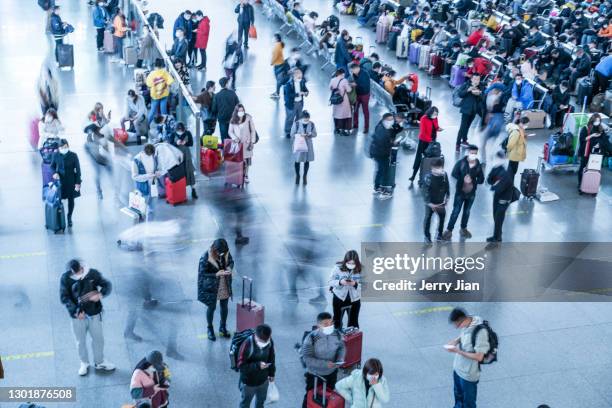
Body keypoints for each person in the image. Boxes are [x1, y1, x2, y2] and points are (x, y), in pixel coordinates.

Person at [59, 259, 115, 376]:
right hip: (77, 318)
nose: (78, 275)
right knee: (80, 342)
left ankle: (100, 362)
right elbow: (64, 298)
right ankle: (84, 363)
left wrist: (100, 294)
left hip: (94, 313)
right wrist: (75, 311)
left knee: (98, 339)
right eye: (75, 273)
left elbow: (107, 285)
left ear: (82, 268)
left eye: (79, 272)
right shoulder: (65, 278)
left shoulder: (92, 273)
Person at [446, 307, 490, 408]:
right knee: (458, 397)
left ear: (462, 320)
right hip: (458, 369)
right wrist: (455, 341)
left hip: (468, 375)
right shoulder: (468, 322)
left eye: (457, 325)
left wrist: (458, 351)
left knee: (468, 403)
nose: (456, 327)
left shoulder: (480, 332)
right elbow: (464, 335)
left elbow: (479, 357)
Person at [301, 312, 346, 408]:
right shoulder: (311, 338)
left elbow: (341, 347)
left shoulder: (337, 334)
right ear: (318, 325)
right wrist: (325, 364)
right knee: (310, 396)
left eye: (331, 323)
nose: (329, 326)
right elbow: (307, 359)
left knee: (327, 396)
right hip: (315, 375)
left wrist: (340, 358)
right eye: (326, 324)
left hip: (332, 373)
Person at [442, 146, 484, 241]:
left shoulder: (478, 165)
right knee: (455, 211)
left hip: (471, 193)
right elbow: (454, 173)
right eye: (472, 153)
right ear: (468, 153)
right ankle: (449, 230)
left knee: (467, 212)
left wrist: (473, 180)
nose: (473, 155)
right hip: (460, 193)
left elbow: (481, 179)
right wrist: (463, 178)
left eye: (475, 153)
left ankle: (463, 229)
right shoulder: (461, 163)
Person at [197, 238, 234, 341]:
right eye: (219, 252)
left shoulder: (225, 253)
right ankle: (210, 328)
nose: (221, 254)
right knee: (211, 307)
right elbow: (202, 273)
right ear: (214, 249)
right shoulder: (205, 256)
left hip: (223, 282)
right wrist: (216, 274)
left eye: (223, 252)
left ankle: (222, 327)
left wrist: (230, 268)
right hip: (211, 286)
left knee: (224, 306)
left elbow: (231, 261)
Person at [237, 324, 276, 408]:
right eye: (262, 341)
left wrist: (272, 373)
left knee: (261, 402)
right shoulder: (246, 344)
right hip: (248, 383)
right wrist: (257, 365)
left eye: (266, 341)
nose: (265, 343)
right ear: (256, 336)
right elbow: (241, 366)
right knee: (245, 403)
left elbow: (272, 358)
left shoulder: (269, 341)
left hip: (263, 381)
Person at [370, 113, 402, 199]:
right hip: (380, 153)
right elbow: (382, 143)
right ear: (384, 120)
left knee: (381, 169)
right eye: (389, 120)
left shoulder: (384, 127)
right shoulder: (381, 129)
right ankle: (379, 187)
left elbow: (394, 133)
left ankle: (379, 186)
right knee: (382, 169)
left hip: (381, 152)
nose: (391, 121)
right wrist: (393, 143)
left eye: (392, 119)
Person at [51, 139, 81, 227]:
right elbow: (52, 166)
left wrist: (78, 182)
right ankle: (60, 217)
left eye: (66, 147)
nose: (65, 148)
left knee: (71, 200)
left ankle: (69, 217)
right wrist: (55, 173)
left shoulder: (73, 155)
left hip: (71, 180)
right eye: (63, 147)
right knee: (59, 199)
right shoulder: (55, 155)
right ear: (59, 148)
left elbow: (78, 170)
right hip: (60, 181)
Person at [328, 250, 362, 330]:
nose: (351, 265)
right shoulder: (337, 268)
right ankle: (337, 338)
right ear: (345, 261)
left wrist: (355, 284)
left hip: (354, 300)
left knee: (353, 323)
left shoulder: (361, 269)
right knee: (337, 321)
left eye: (353, 263)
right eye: (349, 263)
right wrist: (340, 282)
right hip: (339, 298)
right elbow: (330, 281)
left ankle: (352, 340)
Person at [486, 151, 514, 242]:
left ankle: (497, 238)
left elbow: (499, 188)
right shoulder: (496, 168)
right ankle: (497, 234)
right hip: (497, 196)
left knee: (498, 218)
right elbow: (489, 180)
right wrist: (495, 183)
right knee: (495, 216)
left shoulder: (506, 172)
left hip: (504, 199)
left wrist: (494, 185)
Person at [577, 114, 609, 192]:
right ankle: (580, 184)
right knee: (583, 167)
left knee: (594, 169)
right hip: (586, 151)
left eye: (599, 121)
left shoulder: (600, 128)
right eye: (596, 121)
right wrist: (592, 135)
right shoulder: (586, 128)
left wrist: (599, 144)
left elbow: (604, 139)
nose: (597, 122)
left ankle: (591, 185)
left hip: (596, 153)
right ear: (592, 120)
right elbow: (582, 139)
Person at [409, 107, 442, 183]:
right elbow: (423, 132)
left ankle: (425, 177)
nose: (435, 115)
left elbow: (436, 127)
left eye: (436, 114)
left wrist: (438, 129)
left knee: (429, 159)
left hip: (432, 141)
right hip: (424, 141)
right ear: (430, 112)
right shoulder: (423, 118)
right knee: (419, 158)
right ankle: (413, 175)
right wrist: (430, 140)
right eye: (434, 114)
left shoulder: (435, 118)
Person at [422, 158, 450, 243]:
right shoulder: (428, 177)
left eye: (438, 168)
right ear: (431, 168)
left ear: (442, 168)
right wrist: (429, 203)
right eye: (434, 169)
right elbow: (425, 191)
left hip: (440, 202)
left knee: (442, 217)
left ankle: (439, 235)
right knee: (428, 218)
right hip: (431, 203)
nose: (436, 171)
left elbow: (447, 186)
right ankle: (427, 236)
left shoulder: (444, 175)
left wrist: (447, 197)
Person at [456, 74, 484, 152]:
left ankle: (464, 140)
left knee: (468, 126)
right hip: (466, 109)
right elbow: (460, 94)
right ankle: (457, 144)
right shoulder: (466, 84)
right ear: (472, 79)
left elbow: (483, 98)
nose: (476, 81)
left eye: (478, 79)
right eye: (475, 79)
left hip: (474, 110)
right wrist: (468, 90)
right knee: (462, 127)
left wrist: (479, 94)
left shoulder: (481, 86)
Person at [229, 104, 257, 183]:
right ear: (236, 111)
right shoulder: (233, 120)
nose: (241, 112)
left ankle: (246, 175)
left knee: (247, 161)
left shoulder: (248, 118)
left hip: (247, 143)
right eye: (239, 111)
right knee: (239, 160)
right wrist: (235, 138)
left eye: (242, 110)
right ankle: (239, 175)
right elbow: (230, 131)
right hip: (238, 144)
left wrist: (252, 142)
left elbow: (253, 130)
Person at [131, 144, 160, 220]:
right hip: (142, 189)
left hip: (153, 187)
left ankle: (150, 227)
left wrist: (158, 172)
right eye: (148, 155)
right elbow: (134, 176)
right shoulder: (136, 160)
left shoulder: (154, 156)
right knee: (141, 212)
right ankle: (141, 229)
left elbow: (158, 168)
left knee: (152, 210)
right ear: (144, 152)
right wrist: (147, 176)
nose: (150, 156)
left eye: (151, 155)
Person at [172, 122, 198, 199]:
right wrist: (176, 143)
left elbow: (191, 143)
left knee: (189, 172)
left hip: (187, 155)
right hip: (177, 156)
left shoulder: (188, 133)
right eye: (178, 130)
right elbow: (170, 144)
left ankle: (193, 190)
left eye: (181, 130)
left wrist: (185, 142)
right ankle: (180, 192)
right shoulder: (173, 134)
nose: (180, 132)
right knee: (179, 173)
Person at [291, 111, 317, 185]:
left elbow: (315, 134)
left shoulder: (311, 124)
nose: (307, 121)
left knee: (307, 161)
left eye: (308, 119)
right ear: (302, 118)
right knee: (297, 160)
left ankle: (305, 176)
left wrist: (310, 134)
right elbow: (292, 134)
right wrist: (300, 135)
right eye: (305, 120)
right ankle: (298, 175)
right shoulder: (296, 124)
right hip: (299, 144)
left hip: (308, 145)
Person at [146, 59, 174, 123]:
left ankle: (147, 125)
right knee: (163, 111)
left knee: (152, 111)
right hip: (164, 94)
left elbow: (148, 84)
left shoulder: (152, 74)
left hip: (155, 96)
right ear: (162, 66)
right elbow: (170, 82)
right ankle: (165, 125)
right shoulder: (165, 73)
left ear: (155, 66)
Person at [212, 77, 240, 141]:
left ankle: (225, 149)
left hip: (222, 119)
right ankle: (233, 149)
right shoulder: (232, 93)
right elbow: (238, 105)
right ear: (227, 84)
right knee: (233, 135)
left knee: (224, 137)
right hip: (232, 118)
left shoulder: (217, 96)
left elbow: (214, 109)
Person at [283, 68, 309, 138]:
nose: (300, 78)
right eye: (299, 77)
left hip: (300, 103)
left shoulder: (302, 82)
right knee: (290, 118)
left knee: (299, 117)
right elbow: (288, 95)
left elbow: (305, 89)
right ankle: (288, 131)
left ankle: (297, 130)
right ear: (294, 76)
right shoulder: (288, 84)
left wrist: (306, 93)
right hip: (291, 104)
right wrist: (298, 94)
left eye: (301, 77)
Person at [349, 62, 371, 134]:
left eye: (353, 70)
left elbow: (362, 85)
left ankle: (366, 127)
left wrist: (353, 84)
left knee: (365, 111)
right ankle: (355, 125)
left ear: (357, 68)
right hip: (357, 94)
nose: (352, 72)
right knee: (355, 110)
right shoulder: (355, 74)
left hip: (365, 95)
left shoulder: (364, 74)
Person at [330, 68, 353, 136]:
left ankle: (336, 129)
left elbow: (330, 88)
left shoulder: (332, 80)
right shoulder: (344, 80)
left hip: (335, 99)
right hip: (343, 100)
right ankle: (342, 131)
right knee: (344, 115)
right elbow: (349, 90)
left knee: (336, 114)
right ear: (343, 73)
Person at [270, 33, 286, 99]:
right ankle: (277, 92)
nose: (272, 39)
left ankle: (277, 93)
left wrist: (271, 62)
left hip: (278, 65)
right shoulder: (279, 44)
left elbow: (275, 56)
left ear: (276, 38)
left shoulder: (277, 46)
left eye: (273, 37)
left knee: (278, 80)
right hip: (281, 63)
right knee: (278, 80)